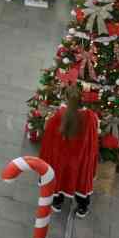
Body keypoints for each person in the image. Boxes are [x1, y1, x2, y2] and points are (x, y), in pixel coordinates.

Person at [38, 88, 99, 217]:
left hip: (61, 158)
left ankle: (57, 202)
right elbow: (93, 139)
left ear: (66, 99)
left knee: (59, 178)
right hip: (80, 159)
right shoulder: (90, 117)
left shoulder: (59, 115)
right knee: (80, 180)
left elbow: (49, 139)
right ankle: (83, 206)